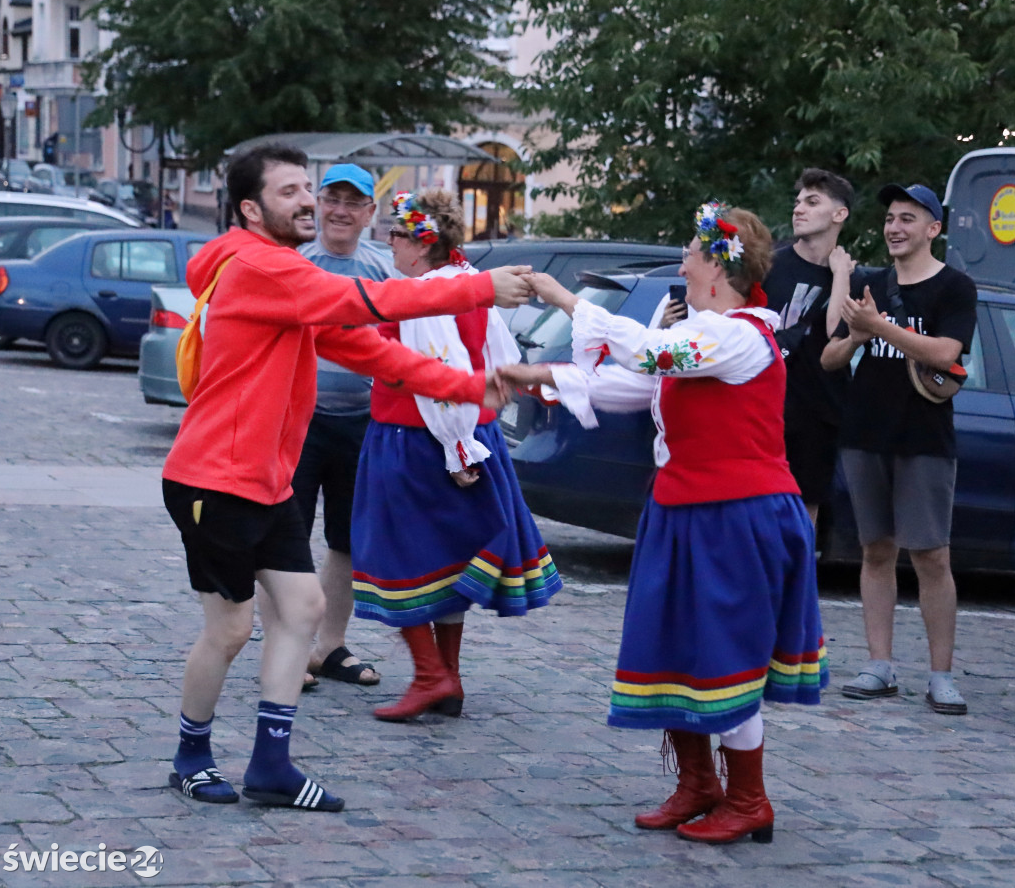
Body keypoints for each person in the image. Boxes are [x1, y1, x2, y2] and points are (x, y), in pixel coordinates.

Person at [160, 144, 533, 811]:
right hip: (213, 480)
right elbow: (372, 300)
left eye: (308, 186)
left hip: (262, 480)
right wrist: (480, 284)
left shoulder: (282, 277)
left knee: (303, 610)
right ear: (250, 208)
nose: (307, 200)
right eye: (289, 191)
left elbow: (368, 349)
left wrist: (474, 387)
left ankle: (271, 765)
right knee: (231, 627)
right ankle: (191, 756)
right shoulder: (260, 265)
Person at [501, 202, 829, 845]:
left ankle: (749, 799)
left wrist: (565, 298)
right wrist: (536, 376)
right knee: (677, 647)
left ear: (716, 265)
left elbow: (650, 353)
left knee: (725, 652)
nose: (682, 258)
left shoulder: (737, 334)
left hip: (737, 516)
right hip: (686, 512)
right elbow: (630, 385)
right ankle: (699, 783)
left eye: (691, 249)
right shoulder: (702, 338)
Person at [350, 188, 562, 722]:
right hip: (457, 434)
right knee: (442, 557)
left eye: (396, 234)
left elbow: (438, 373)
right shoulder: (464, 285)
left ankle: (431, 675)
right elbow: (503, 359)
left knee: (398, 554)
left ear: (421, 245)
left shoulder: (421, 293)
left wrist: (458, 446)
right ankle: (448, 678)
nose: (389, 242)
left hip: (421, 438)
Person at [821, 183, 976, 716]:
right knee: (875, 550)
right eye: (890, 218)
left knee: (932, 555)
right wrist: (860, 336)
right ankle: (879, 666)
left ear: (933, 229)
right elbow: (830, 357)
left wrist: (879, 325)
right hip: (865, 434)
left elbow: (946, 352)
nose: (895, 227)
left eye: (908, 219)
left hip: (926, 439)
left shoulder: (955, 287)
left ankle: (941, 676)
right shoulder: (869, 283)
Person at [292, 164, 394, 689]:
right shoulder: (294, 264)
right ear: (317, 204)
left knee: (347, 540)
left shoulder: (381, 270)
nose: (340, 210)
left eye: (354, 203)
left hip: (361, 423)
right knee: (282, 538)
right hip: (297, 421)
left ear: (369, 214)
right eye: (332, 198)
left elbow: (404, 340)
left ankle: (329, 646)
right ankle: (290, 650)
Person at [763, 168, 855, 524]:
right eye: (798, 201)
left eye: (812, 201)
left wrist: (841, 274)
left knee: (803, 516)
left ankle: (796, 581)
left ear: (839, 214)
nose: (798, 208)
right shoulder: (768, 263)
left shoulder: (849, 276)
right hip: (762, 407)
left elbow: (837, 331)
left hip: (818, 413)